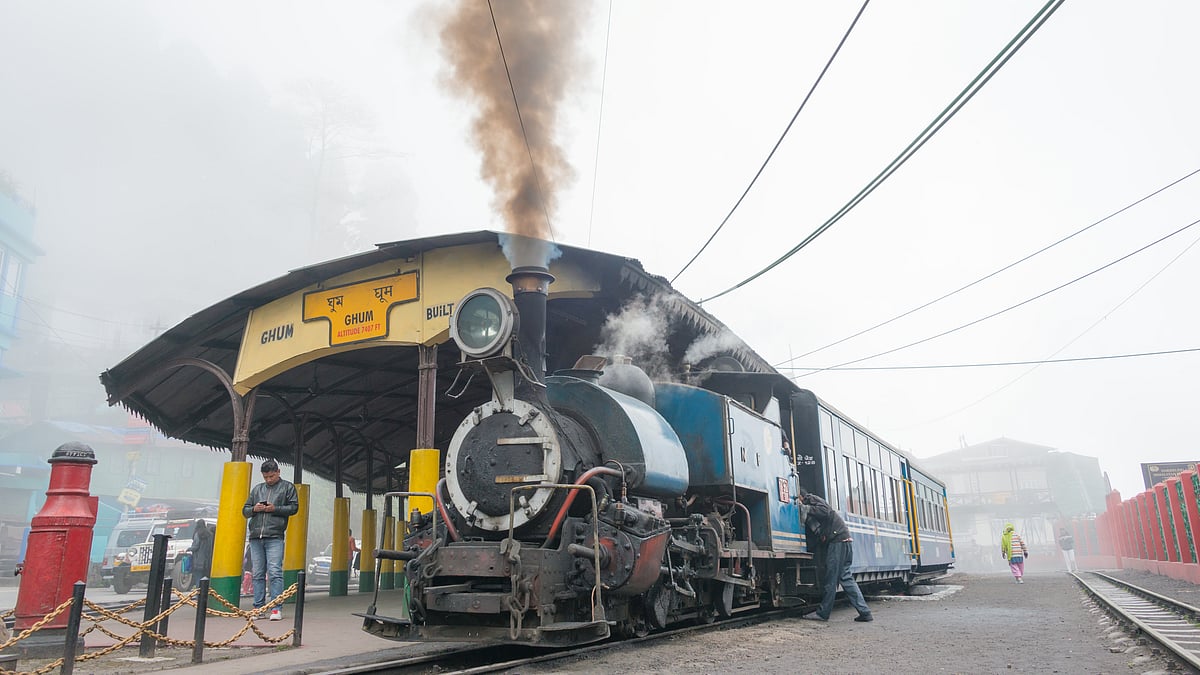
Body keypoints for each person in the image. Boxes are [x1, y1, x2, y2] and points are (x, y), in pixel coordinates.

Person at [800, 489, 873, 622]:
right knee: (845, 578)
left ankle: (823, 614)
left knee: (831, 579)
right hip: (844, 541)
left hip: (838, 542)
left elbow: (825, 511)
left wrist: (806, 508)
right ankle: (865, 612)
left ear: (800, 496)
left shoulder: (810, 498)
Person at [242, 458, 299, 621]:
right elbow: (245, 510)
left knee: (274, 571)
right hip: (255, 536)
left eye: (271, 476)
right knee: (257, 573)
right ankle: (258, 607)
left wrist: (275, 509)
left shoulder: (288, 487)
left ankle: (276, 608)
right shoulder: (257, 489)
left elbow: (294, 508)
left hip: (275, 535)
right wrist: (254, 508)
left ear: (278, 472)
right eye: (266, 477)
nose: (268, 480)